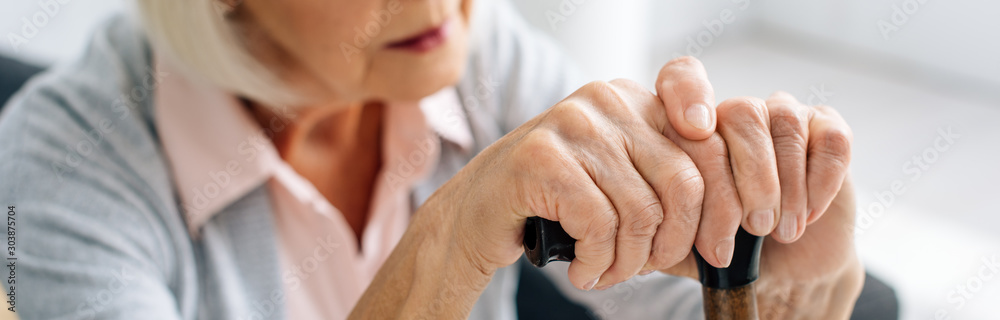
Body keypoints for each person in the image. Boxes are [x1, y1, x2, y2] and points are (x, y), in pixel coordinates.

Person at [0, 0, 864, 318]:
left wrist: (765, 266)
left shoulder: (466, 47)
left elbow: (658, 295)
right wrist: (447, 244)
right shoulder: (65, 161)